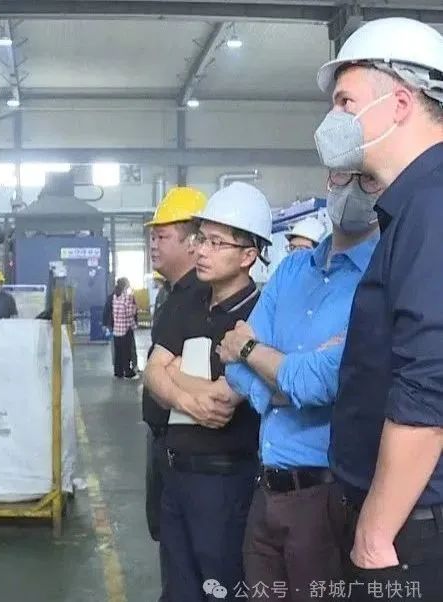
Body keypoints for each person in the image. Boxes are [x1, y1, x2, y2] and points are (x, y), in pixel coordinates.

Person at [314, 17, 443, 600]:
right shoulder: (411, 206)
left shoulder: (433, 204)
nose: (332, 120)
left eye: (345, 101)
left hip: (410, 529)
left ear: (400, 104)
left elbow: (431, 385)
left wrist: (374, 534)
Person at [220, 172, 381, 601]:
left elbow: (323, 380)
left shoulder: (379, 279)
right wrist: (287, 378)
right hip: (265, 491)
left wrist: (253, 350)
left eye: (366, 178)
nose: (350, 187)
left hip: (326, 498)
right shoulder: (292, 269)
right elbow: (235, 370)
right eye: (341, 174)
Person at [144, 182, 272, 601]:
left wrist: (175, 372)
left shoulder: (260, 314)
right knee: (179, 589)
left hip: (225, 482)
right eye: (201, 239)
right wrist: (184, 395)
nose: (202, 251)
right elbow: (152, 371)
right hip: (175, 474)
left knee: (220, 587)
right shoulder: (188, 299)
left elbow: (221, 403)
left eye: (216, 243)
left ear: (248, 255)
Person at [143, 186, 208, 602]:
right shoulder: (171, 294)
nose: (153, 244)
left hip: (187, 444)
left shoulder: (201, 296)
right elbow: (160, 368)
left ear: (191, 242)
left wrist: (166, 375)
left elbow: (193, 374)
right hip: (162, 437)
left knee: (190, 556)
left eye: (162, 236)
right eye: (152, 236)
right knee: (170, 541)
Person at [111, 277, 137, 378]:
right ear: (125, 286)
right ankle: (127, 371)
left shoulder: (115, 296)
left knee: (118, 352)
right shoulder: (127, 297)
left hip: (117, 329)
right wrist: (134, 307)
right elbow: (129, 313)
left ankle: (118, 371)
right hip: (125, 329)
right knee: (126, 351)